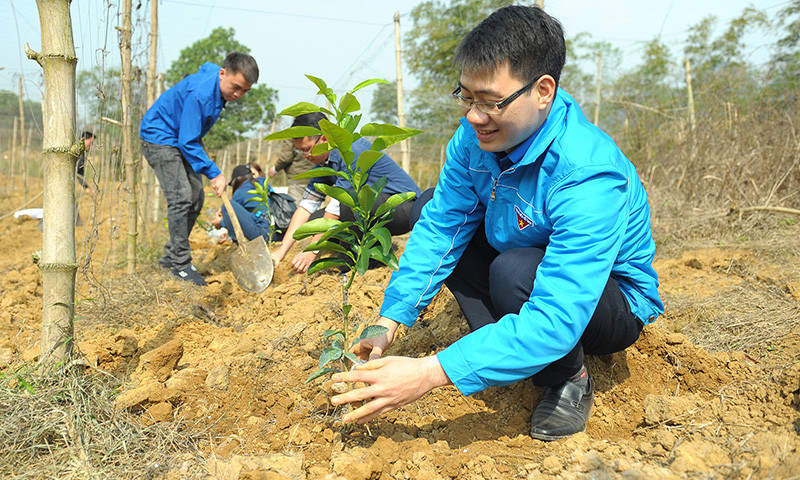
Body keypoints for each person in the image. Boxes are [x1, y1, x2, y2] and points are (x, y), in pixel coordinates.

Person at [329, 5, 664, 442]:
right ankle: (505, 347)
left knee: (516, 273)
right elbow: (441, 229)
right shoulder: (474, 141)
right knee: (432, 206)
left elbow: (560, 312)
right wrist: (389, 320)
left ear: (542, 91)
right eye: (466, 97)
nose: (473, 116)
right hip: (524, 259)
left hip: (603, 301)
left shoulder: (586, 172)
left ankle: (568, 378)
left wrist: (430, 372)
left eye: (489, 102)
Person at [140, 52, 259, 286]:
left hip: (181, 137)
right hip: (160, 136)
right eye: (235, 87)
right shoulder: (201, 95)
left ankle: (169, 259)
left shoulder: (217, 80)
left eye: (244, 91)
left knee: (196, 196)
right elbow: (187, 142)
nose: (238, 95)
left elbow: (206, 68)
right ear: (223, 73)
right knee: (181, 196)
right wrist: (215, 173)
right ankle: (181, 265)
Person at [271, 112, 422, 274]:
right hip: (372, 209)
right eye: (300, 151)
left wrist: (312, 251)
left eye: (307, 150)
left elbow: (337, 206)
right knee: (314, 221)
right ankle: (358, 247)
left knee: (348, 202)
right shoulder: (323, 164)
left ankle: (357, 264)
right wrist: (281, 251)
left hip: (404, 209)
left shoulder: (352, 151)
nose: (304, 156)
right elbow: (306, 207)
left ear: (324, 139)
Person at [211, 164, 296, 243]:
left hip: (264, 234)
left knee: (227, 206)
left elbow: (235, 220)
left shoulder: (239, 192)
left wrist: (221, 223)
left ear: (237, 181)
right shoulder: (263, 183)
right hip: (281, 233)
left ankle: (237, 244)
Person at [267, 139, 315, 203]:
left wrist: (275, 169)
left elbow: (286, 157)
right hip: (313, 174)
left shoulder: (290, 137)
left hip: (297, 177)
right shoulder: (313, 135)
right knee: (312, 203)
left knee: (295, 204)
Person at [76, 131, 95, 196]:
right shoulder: (77, 152)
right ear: (83, 140)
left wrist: (86, 187)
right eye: (91, 143)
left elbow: (79, 172)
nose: (91, 146)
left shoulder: (82, 154)